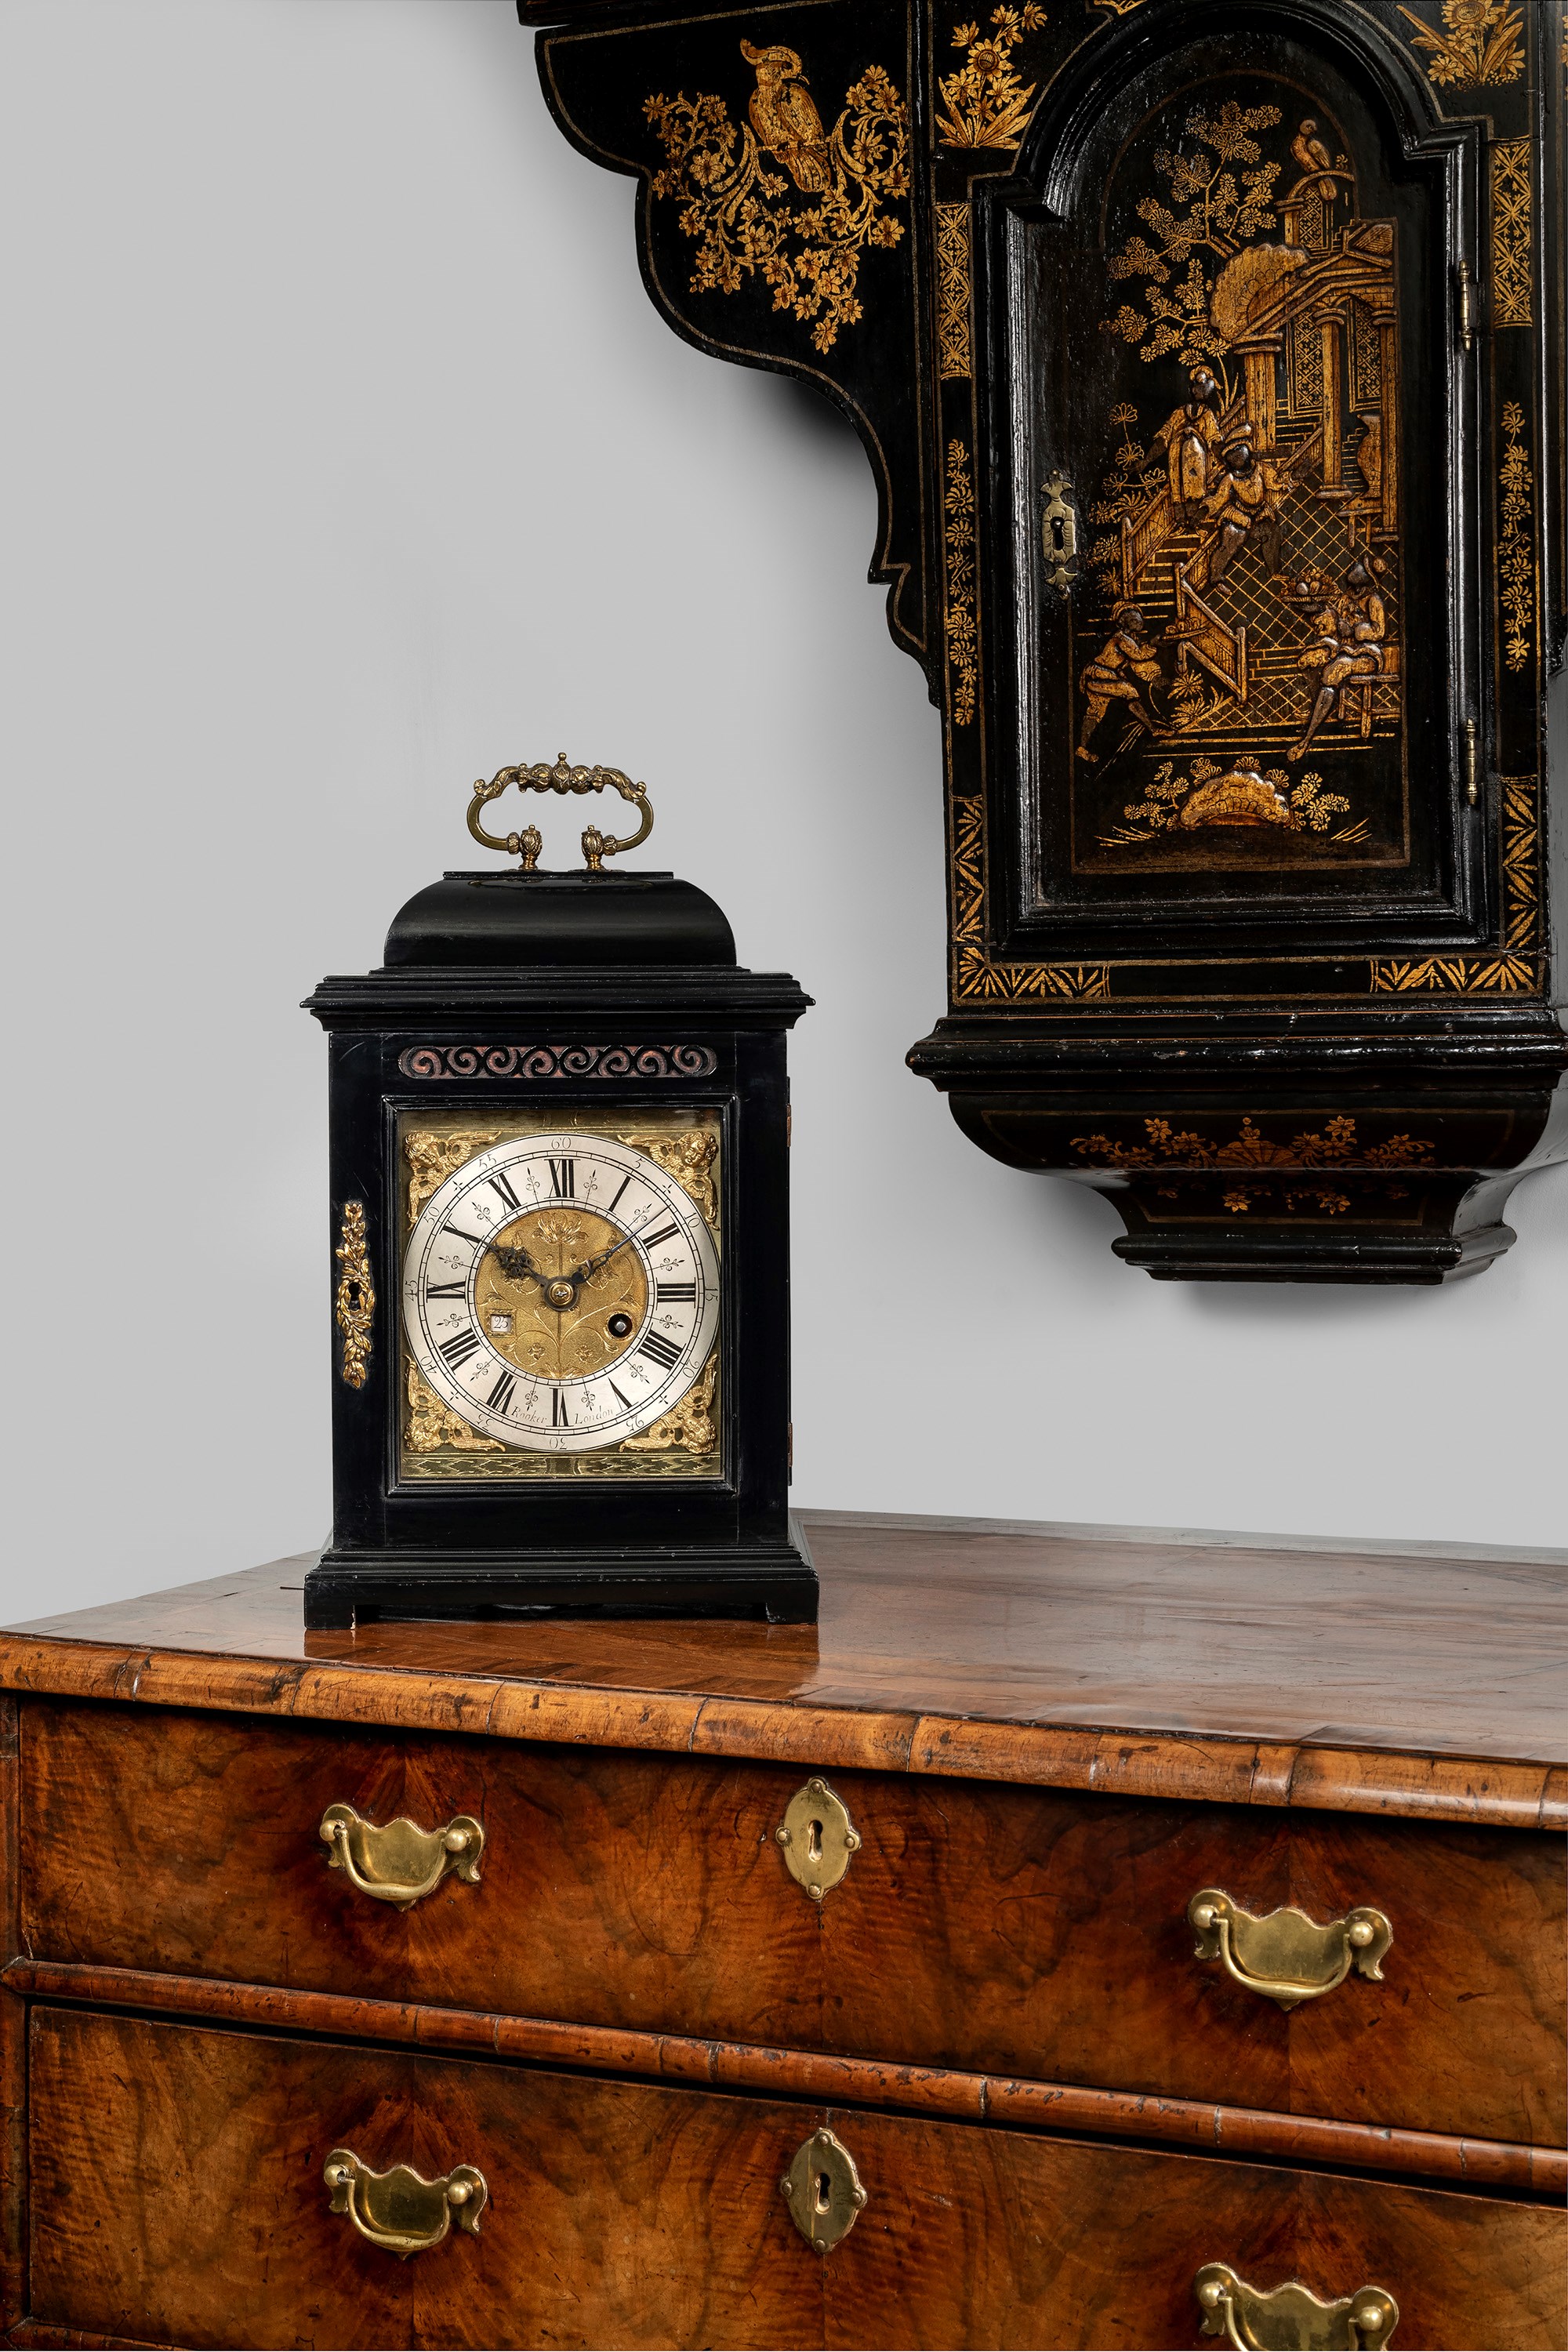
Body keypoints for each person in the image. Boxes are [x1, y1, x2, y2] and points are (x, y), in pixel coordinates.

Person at [1290, 554, 1388, 757]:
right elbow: (1335, 615)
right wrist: (1314, 609)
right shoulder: (1348, 597)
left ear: (1367, 576)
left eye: (1361, 566)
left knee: (1335, 670)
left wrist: (1355, 630)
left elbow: (1378, 632)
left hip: (1367, 655)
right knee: (1312, 658)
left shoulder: (1373, 600)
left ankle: (1308, 738)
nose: (1355, 567)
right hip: (1347, 649)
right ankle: (1314, 711)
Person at [1077, 604, 1165, 760]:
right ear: (1124, 623)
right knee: (1129, 692)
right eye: (1134, 619)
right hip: (1100, 675)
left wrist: (1153, 676)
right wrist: (1152, 644)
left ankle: (1082, 749)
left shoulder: (1130, 638)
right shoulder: (1121, 638)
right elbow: (1138, 655)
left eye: (1139, 618)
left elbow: (1135, 663)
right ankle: (1153, 729)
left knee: (1095, 712)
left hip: (1100, 675)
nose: (1139, 621)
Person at [1202, 426, 1285, 585]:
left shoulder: (1261, 469)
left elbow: (1275, 483)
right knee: (1230, 544)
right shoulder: (1230, 478)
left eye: (1239, 451)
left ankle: (1274, 572)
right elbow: (1219, 499)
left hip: (1260, 514)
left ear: (1247, 449)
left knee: (1273, 533)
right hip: (1237, 516)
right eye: (1232, 455)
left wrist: (1290, 479)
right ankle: (1215, 577)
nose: (1237, 457)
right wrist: (1205, 508)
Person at [1148, 367, 1223, 527]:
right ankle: (1180, 518)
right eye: (1198, 386)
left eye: (1205, 387)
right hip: (1177, 462)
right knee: (1179, 488)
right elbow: (1164, 438)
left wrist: (1225, 460)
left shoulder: (1207, 415)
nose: (1201, 390)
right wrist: (1146, 460)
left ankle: (1195, 519)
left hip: (1199, 465)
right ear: (1192, 389)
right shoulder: (1179, 414)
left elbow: (1214, 440)